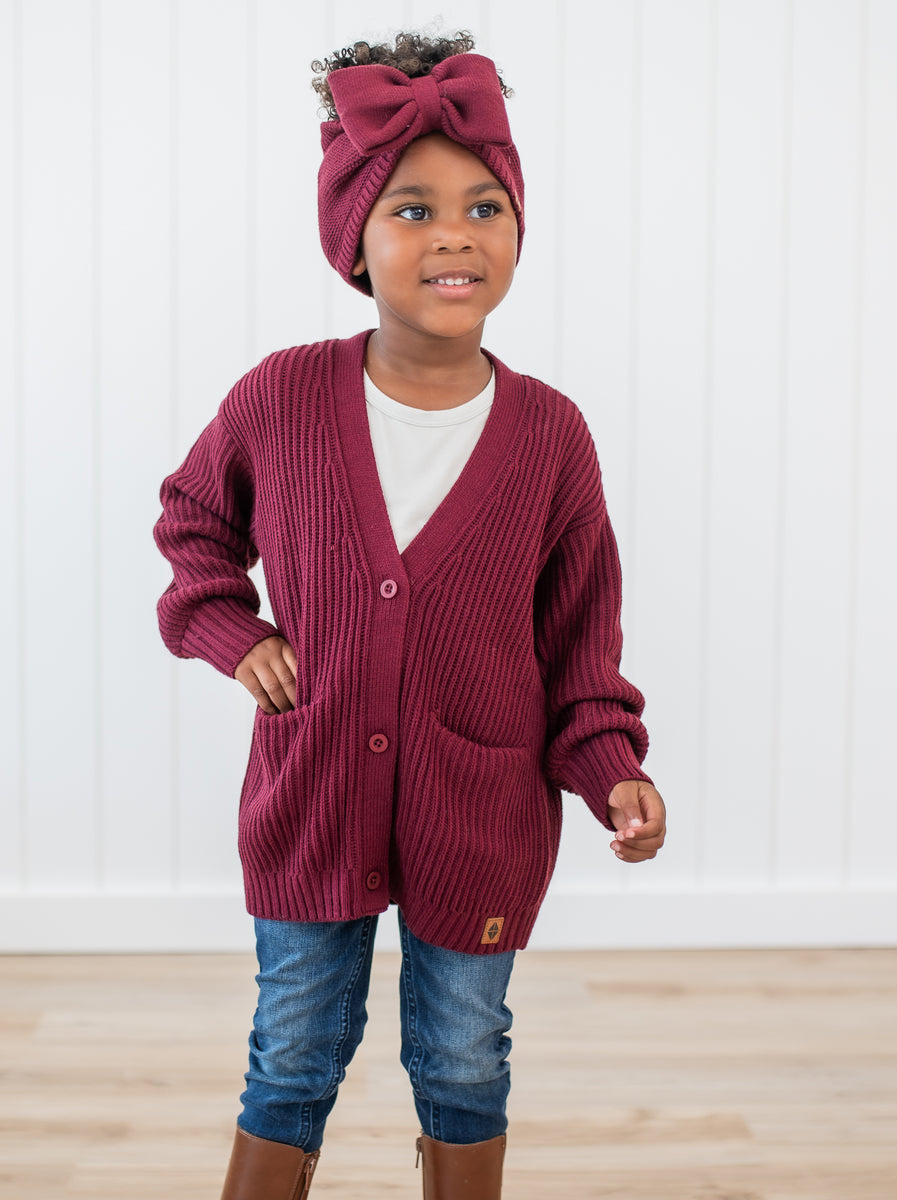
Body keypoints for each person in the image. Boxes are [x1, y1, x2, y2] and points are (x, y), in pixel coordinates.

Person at [153, 30, 666, 1200]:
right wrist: (239, 636)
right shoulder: (280, 399)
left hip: (479, 811)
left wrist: (613, 769)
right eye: (412, 209)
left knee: (464, 1057)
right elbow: (192, 529)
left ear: (519, 230)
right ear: (353, 240)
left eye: (486, 206)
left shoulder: (550, 436)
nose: (453, 235)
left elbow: (581, 644)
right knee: (290, 1053)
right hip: (311, 800)